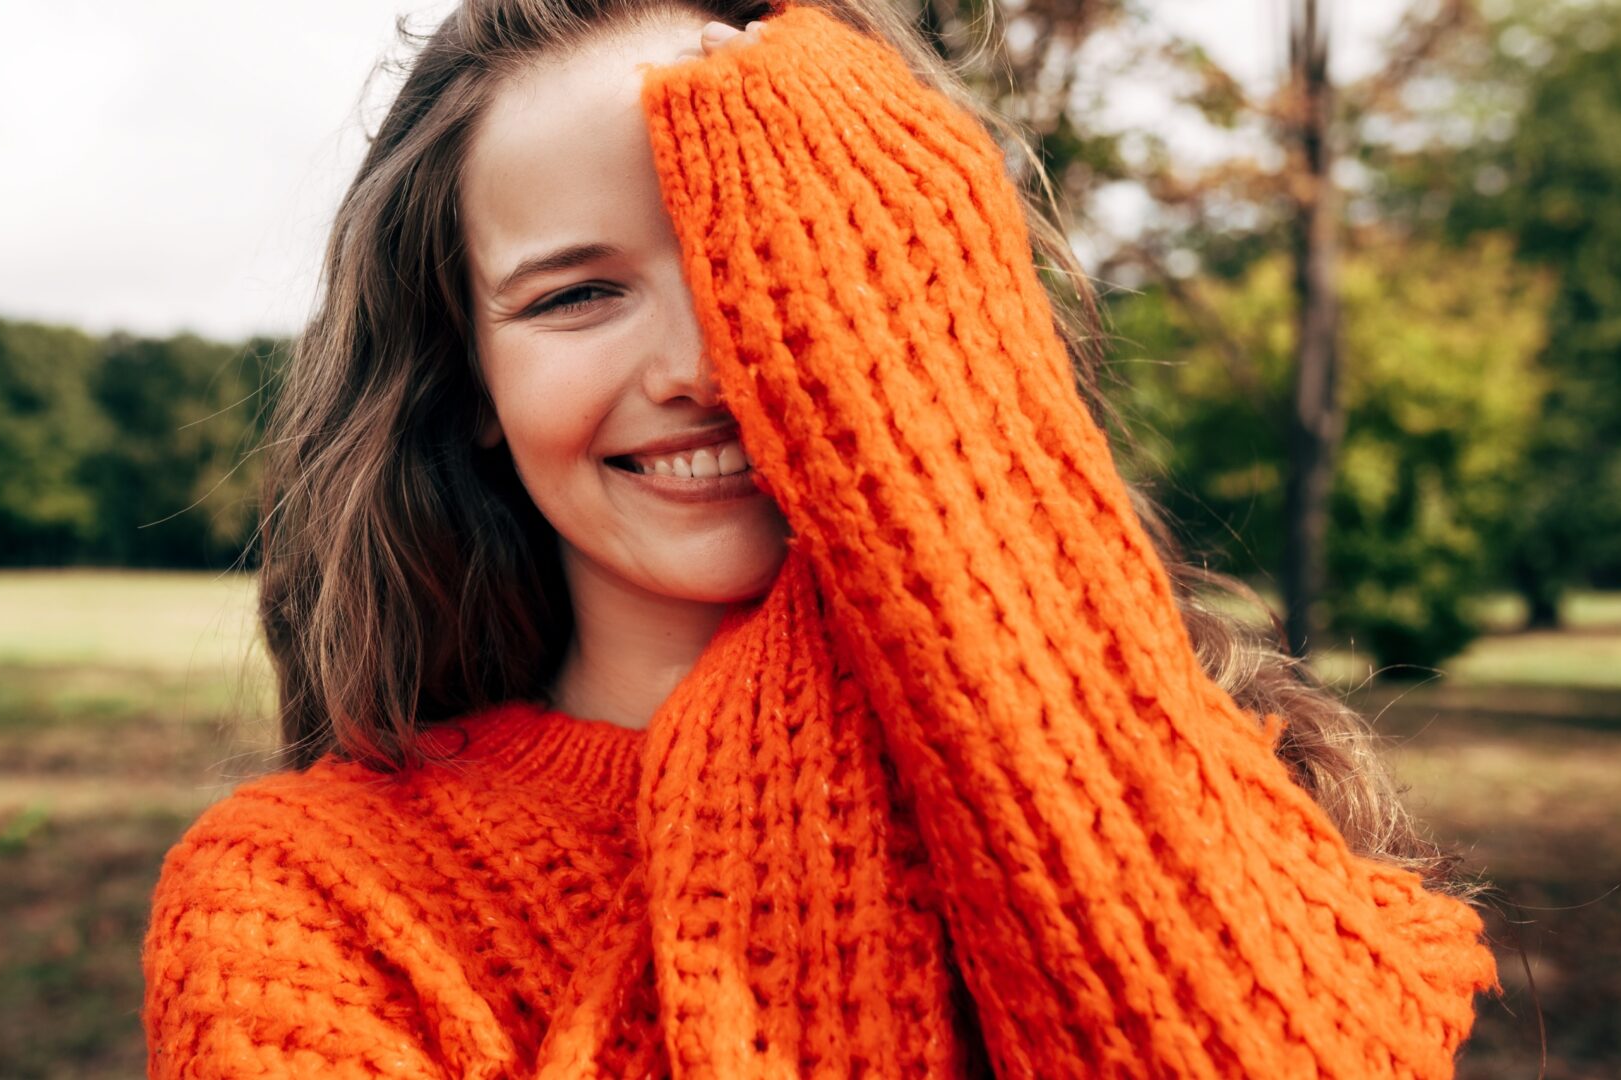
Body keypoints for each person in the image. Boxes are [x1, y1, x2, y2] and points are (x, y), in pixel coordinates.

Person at [141, 1, 1502, 1075]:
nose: (705, 361)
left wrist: (945, 500)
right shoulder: (310, 895)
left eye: (783, 255)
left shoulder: (1209, 778)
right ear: (473, 385)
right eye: (578, 294)